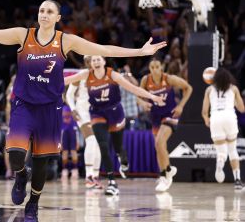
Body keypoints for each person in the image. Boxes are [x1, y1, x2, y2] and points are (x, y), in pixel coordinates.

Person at [0, 0, 166, 221]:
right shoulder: (23, 35)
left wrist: (139, 52)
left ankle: (33, 203)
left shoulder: (65, 41)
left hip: (50, 109)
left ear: (58, 17)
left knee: (41, 163)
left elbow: (102, 48)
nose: (44, 14)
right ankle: (21, 175)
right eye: (41, 10)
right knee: (15, 155)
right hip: (23, 104)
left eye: (49, 11)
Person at [65, 55, 165, 196]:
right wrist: (43, 83)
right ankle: (100, 179)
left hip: (114, 112)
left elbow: (132, 88)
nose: (93, 62)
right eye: (91, 60)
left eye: (96, 59)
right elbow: (65, 85)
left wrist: (153, 97)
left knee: (116, 147)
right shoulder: (83, 75)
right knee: (97, 143)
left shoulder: (112, 74)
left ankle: (115, 163)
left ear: (104, 61)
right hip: (91, 113)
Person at [138, 59, 192, 192]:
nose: (155, 69)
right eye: (152, 67)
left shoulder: (169, 79)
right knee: (159, 147)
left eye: (157, 66)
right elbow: (138, 95)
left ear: (161, 67)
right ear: (149, 68)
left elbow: (188, 88)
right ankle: (167, 170)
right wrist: (142, 103)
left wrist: (181, 106)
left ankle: (164, 175)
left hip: (170, 115)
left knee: (159, 142)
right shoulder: (146, 80)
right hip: (155, 117)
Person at [202, 67, 245, 189]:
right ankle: (237, 181)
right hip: (230, 117)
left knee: (221, 151)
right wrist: (235, 102)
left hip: (216, 117)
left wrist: (206, 120)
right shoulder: (234, 88)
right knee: (232, 150)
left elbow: (204, 111)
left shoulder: (209, 89)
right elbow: (242, 109)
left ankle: (220, 162)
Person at [65, 55, 102, 189]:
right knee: (91, 140)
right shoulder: (81, 75)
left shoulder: (101, 75)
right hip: (82, 112)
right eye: (87, 60)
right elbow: (68, 94)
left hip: (96, 112)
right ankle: (88, 176)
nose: (89, 63)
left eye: (91, 60)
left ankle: (96, 176)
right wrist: (73, 109)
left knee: (98, 143)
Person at [60, 104, 80, 180]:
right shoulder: (61, 120)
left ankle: (75, 170)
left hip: (72, 136)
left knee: (73, 152)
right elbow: (60, 133)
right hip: (64, 137)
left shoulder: (73, 119)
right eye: (64, 112)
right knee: (64, 153)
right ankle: (64, 170)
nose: (65, 114)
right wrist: (60, 143)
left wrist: (78, 142)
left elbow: (77, 132)